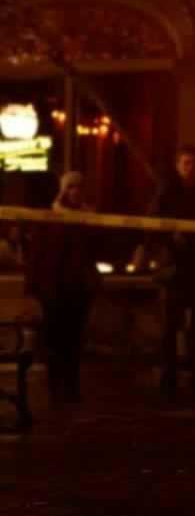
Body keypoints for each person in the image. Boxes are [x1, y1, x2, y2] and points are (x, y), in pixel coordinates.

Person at [133, 144, 195, 398]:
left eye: (194, 163)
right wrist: (166, 241)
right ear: (178, 165)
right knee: (171, 326)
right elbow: (152, 225)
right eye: (186, 163)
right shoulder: (167, 192)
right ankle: (169, 376)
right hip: (174, 268)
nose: (191, 168)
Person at [24, 171, 98, 408]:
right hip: (55, 289)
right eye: (70, 187)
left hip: (78, 288)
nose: (75, 192)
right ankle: (58, 388)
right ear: (63, 190)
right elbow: (38, 253)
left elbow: (94, 250)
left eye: (78, 187)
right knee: (56, 339)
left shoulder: (88, 217)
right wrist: (34, 287)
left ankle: (71, 386)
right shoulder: (51, 217)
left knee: (74, 340)